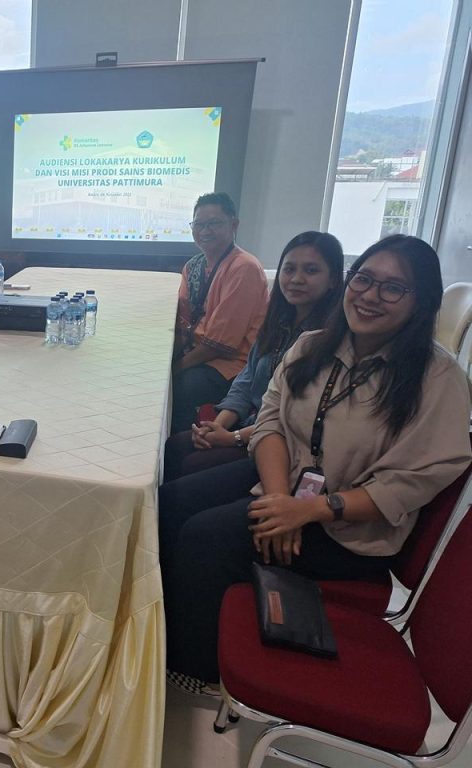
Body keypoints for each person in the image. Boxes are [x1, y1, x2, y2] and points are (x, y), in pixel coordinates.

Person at [159, 234, 472, 693]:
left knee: (205, 538)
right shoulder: (313, 346)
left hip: (348, 527)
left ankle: (194, 671)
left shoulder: (438, 378)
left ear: (421, 301)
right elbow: (270, 424)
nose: (369, 296)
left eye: (392, 288)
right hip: (286, 484)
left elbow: (411, 482)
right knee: (168, 503)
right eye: (363, 279)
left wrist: (307, 511)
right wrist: (280, 501)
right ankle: (153, 631)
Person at [164, 231, 344, 480]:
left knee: (188, 468)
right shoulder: (278, 321)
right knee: (172, 448)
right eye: (289, 269)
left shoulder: (329, 340)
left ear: (333, 279)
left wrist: (232, 437)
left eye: (311, 271)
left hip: (279, 444)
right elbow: (247, 380)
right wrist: (220, 424)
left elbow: (293, 418)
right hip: (247, 423)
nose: (296, 279)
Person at [171, 192, 268, 433]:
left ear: (234, 225)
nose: (205, 231)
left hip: (231, 364)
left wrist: (174, 368)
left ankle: (184, 443)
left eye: (214, 223)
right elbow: (183, 321)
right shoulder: (193, 266)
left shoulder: (244, 267)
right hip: (198, 353)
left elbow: (221, 345)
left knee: (176, 386)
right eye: (199, 224)